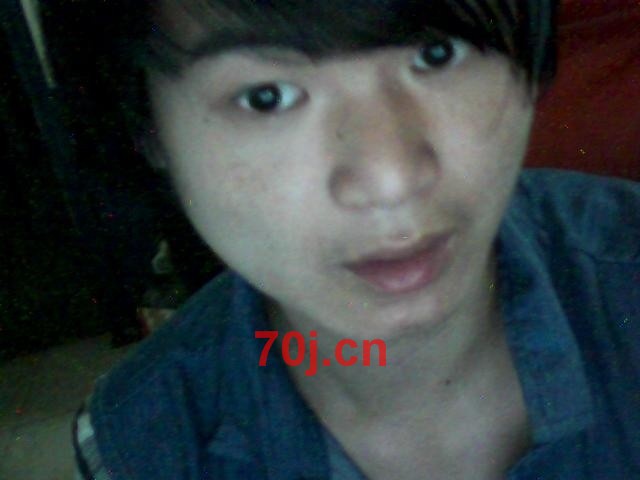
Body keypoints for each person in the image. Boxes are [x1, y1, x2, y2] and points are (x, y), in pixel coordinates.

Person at [72, 1, 640, 479]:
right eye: (266, 96)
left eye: (437, 53)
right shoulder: (139, 446)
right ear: (148, 130)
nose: (390, 180)